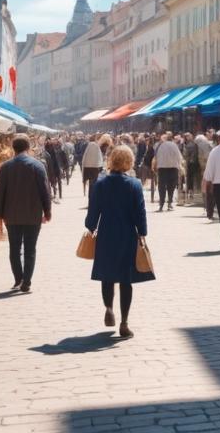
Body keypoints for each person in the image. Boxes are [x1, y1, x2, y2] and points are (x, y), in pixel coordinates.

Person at [85, 145, 152, 338]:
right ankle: (124, 322)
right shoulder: (135, 184)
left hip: (106, 234)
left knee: (107, 275)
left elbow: (93, 213)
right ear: (129, 161)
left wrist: (90, 226)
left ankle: (108, 308)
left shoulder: (100, 183)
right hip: (127, 235)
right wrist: (143, 233)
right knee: (125, 280)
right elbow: (140, 212)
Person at [0, 135, 52, 293]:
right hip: (33, 215)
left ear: (13, 148)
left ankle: (18, 279)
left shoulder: (5, 167)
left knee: (14, 249)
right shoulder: (37, 166)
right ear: (28, 147)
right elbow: (45, 191)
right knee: (30, 249)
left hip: (11, 216)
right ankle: (26, 282)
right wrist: (47, 212)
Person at [153, 133, 183, 211]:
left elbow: (155, 156)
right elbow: (179, 157)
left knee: (162, 186)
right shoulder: (174, 145)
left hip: (162, 168)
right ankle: (170, 203)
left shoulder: (159, 145)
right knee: (171, 186)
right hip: (173, 168)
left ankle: (161, 204)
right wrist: (179, 165)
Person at [192, 132, 213, 201]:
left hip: (204, 166)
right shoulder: (207, 144)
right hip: (206, 166)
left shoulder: (201, 144)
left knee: (205, 181)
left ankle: (206, 196)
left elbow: (205, 156)